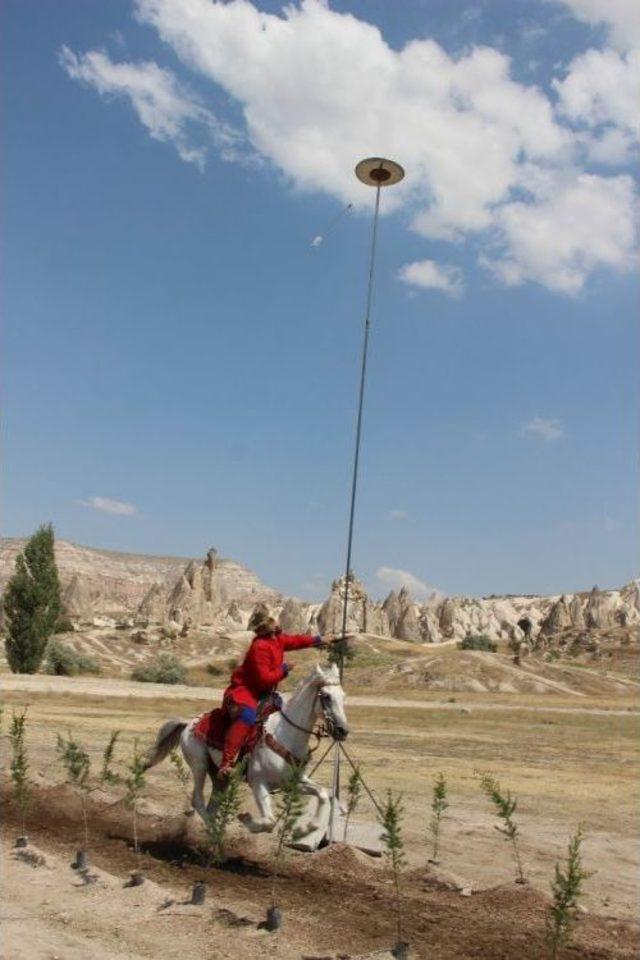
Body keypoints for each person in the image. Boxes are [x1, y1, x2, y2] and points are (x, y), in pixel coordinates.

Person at [216, 614, 337, 781]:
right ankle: (227, 763)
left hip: (264, 692)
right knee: (248, 716)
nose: (277, 622)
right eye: (273, 621)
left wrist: (319, 639)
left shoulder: (277, 639)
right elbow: (264, 678)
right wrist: (284, 668)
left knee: (287, 710)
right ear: (267, 627)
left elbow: (296, 641)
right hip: (245, 691)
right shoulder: (259, 646)